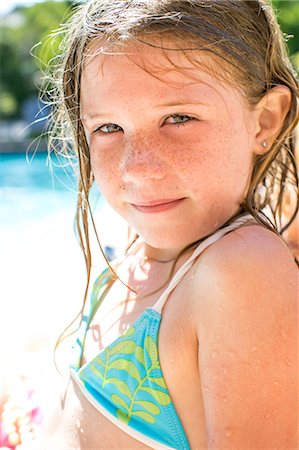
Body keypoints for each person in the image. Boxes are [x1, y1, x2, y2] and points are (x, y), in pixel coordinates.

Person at [33, 0, 298, 449]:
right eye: (109, 127)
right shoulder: (141, 250)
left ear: (265, 120)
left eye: (179, 118)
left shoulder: (242, 268)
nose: (137, 168)